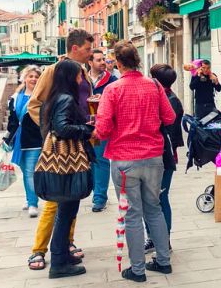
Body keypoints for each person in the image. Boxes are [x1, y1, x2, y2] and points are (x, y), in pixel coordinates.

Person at [95, 41, 176, 282]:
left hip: (124, 158)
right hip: (153, 156)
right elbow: (170, 117)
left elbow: (103, 129)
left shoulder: (113, 89)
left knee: (132, 213)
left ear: (118, 63)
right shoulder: (154, 85)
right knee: (154, 209)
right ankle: (163, 261)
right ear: (138, 60)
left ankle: (138, 269)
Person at [26, 28, 94, 271]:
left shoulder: (84, 72)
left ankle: (65, 245)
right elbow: (35, 104)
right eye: (87, 49)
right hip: (62, 144)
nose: (90, 53)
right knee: (56, 201)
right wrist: (51, 134)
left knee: (71, 195)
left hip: (79, 143)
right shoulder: (53, 71)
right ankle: (40, 250)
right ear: (74, 48)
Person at [42, 60, 95, 279]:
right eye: (78, 75)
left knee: (67, 211)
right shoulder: (65, 99)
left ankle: (62, 255)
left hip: (61, 161)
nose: (81, 79)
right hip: (68, 162)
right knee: (65, 211)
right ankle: (58, 263)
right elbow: (62, 128)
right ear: (70, 77)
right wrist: (86, 129)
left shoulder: (54, 98)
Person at [144, 64, 184, 254]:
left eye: (151, 76)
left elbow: (168, 130)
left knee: (160, 198)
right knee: (155, 198)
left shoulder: (169, 101)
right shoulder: (166, 97)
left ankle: (162, 239)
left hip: (164, 154)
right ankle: (155, 238)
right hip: (161, 153)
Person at [3, 65, 43, 218]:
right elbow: (13, 121)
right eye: (30, 76)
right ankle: (29, 198)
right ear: (25, 78)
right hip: (19, 141)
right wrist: (6, 138)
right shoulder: (15, 97)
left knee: (30, 172)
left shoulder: (41, 98)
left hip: (35, 139)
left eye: (36, 76)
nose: (33, 79)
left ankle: (33, 203)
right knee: (24, 170)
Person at [88, 49, 118, 212]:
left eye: (103, 60)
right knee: (89, 160)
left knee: (100, 160)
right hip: (85, 126)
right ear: (90, 62)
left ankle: (99, 197)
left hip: (102, 126)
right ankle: (94, 192)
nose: (102, 63)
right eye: (98, 60)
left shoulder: (111, 80)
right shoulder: (82, 79)